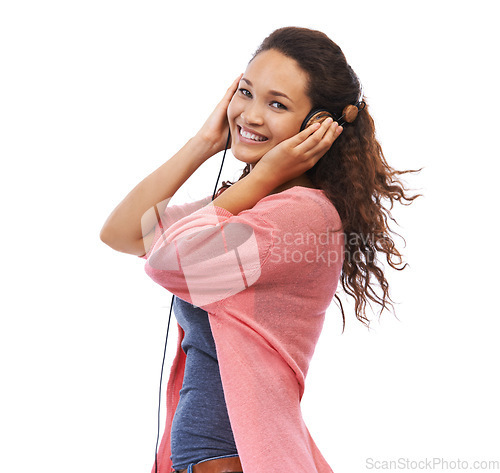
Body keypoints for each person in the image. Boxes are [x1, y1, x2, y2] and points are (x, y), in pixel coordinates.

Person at [100, 26, 420, 473]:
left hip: (231, 459)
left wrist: (262, 178)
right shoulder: (254, 205)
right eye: (245, 92)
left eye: (277, 104)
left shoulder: (301, 216)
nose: (249, 115)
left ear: (317, 127)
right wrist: (204, 144)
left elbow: (167, 262)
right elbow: (124, 234)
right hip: (208, 458)